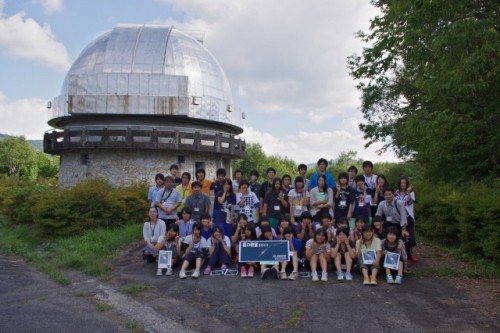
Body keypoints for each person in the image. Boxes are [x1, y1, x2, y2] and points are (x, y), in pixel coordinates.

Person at [395, 176, 417, 262]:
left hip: (409, 217)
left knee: (410, 236)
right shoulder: (396, 193)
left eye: (404, 183)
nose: (403, 184)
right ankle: (401, 253)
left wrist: (408, 193)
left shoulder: (411, 193)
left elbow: (409, 202)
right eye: (401, 183)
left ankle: (410, 253)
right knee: (401, 236)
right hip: (399, 218)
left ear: (406, 184)